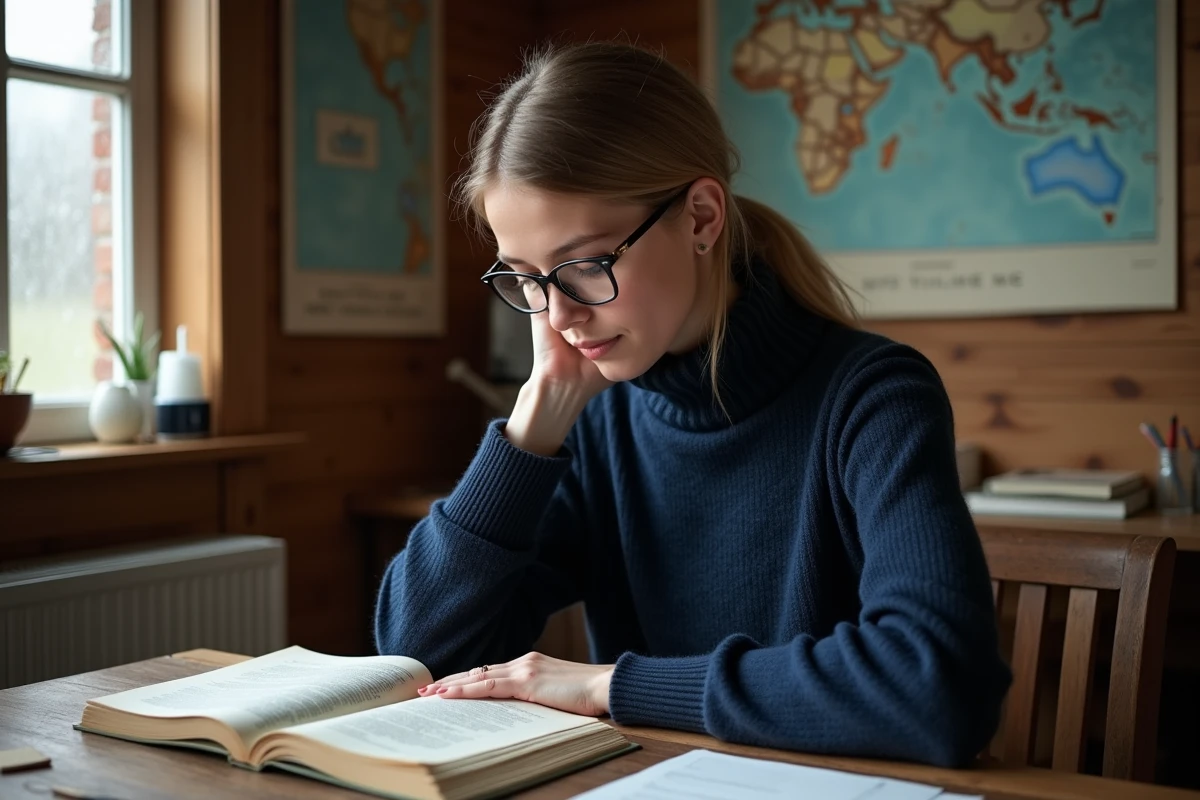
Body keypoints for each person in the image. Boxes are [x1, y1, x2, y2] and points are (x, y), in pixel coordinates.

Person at [375, 40, 1011, 768]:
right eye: (525, 278)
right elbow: (416, 653)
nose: (555, 317)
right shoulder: (597, 416)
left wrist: (613, 687)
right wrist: (531, 425)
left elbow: (939, 687)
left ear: (702, 217)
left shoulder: (873, 398)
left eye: (583, 266)